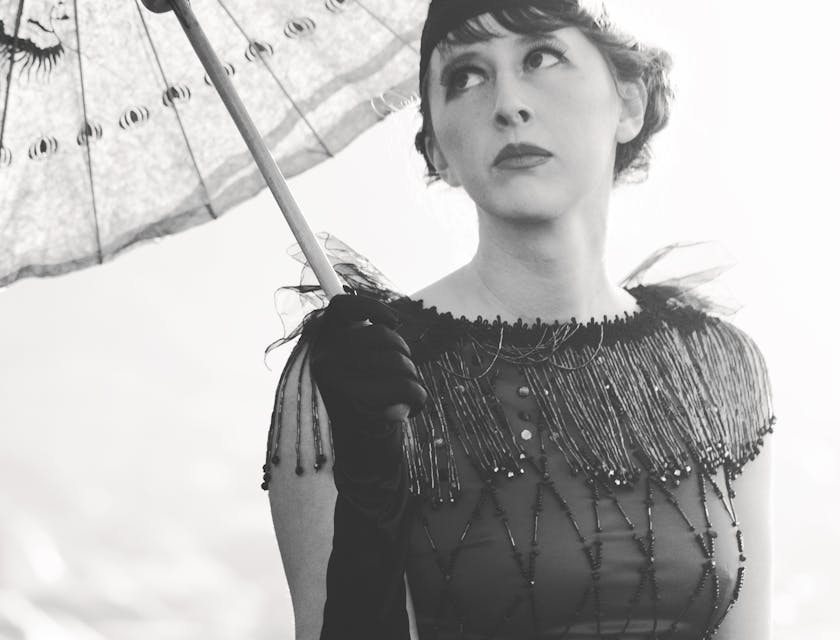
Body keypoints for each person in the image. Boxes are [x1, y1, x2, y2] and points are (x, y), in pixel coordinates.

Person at [262, 1, 776, 638]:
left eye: (540, 57)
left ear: (630, 102)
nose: (508, 104)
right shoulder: (356, 368)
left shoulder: (718, 365)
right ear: (437, 151)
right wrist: (369, 490)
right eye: (466, 77)